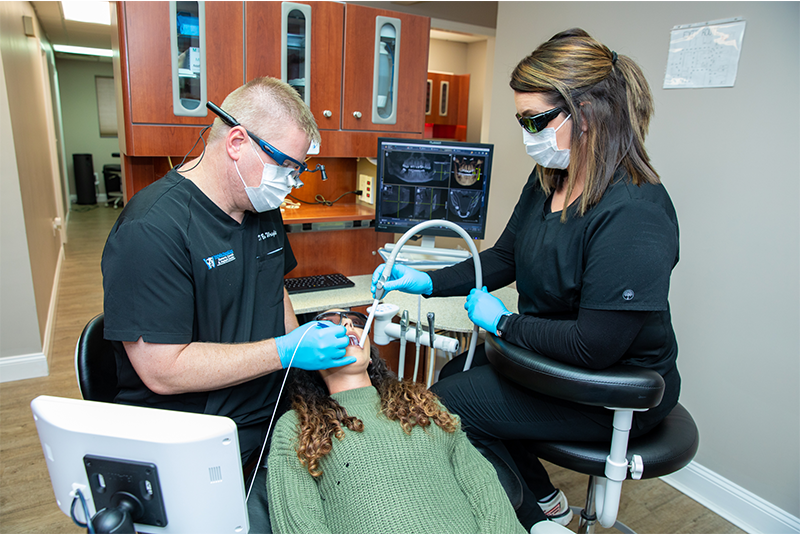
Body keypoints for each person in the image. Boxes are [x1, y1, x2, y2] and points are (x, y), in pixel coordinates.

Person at [371, 28, 680, 532]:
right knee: (453, 379)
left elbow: (595, 345)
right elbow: (502, 258)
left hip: (607, 389)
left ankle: (531, 523)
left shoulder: (635, 212)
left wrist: (506, 324)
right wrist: (425, 281)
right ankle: (544, 500)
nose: (527, 134)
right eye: (522, 120)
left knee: (450, 403)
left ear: (586, 114)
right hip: (549, 367)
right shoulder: (550, 181)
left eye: (535, 119)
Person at [101, 77, 356, 533]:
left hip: (267, 417)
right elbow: (163, 370)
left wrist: (302, 356)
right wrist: (285, 350)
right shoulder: (152, 230)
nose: (292, 182)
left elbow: (273, 288)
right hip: (196, 436)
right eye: (286, 165)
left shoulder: (261, 205)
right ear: (237, 141)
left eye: (300, 170)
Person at [266, 309, 529, 534]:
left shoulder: (420, 403)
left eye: (355, 322)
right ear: (311, 357)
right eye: (330, 324)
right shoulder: (297, 426)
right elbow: (299, 524)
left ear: (370, 356)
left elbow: (483, 484)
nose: (347, 325)